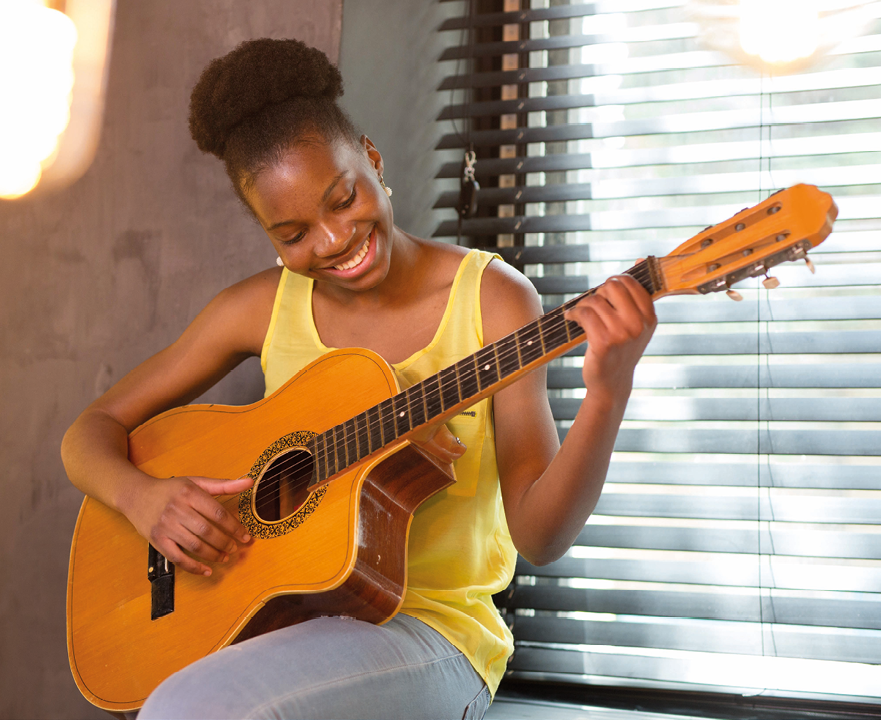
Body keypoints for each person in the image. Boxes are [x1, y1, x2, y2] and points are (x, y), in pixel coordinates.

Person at [61, 38, 657, 720]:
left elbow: (539, 538)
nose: (332, 240)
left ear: (371, 160)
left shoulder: (493, 298)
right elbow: (88, 433)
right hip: (285, 625)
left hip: (434, 635)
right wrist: (142, 498)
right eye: (291, 234)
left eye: (342, 200)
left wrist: (607, 393)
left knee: (192, 706)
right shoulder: (258, 307)